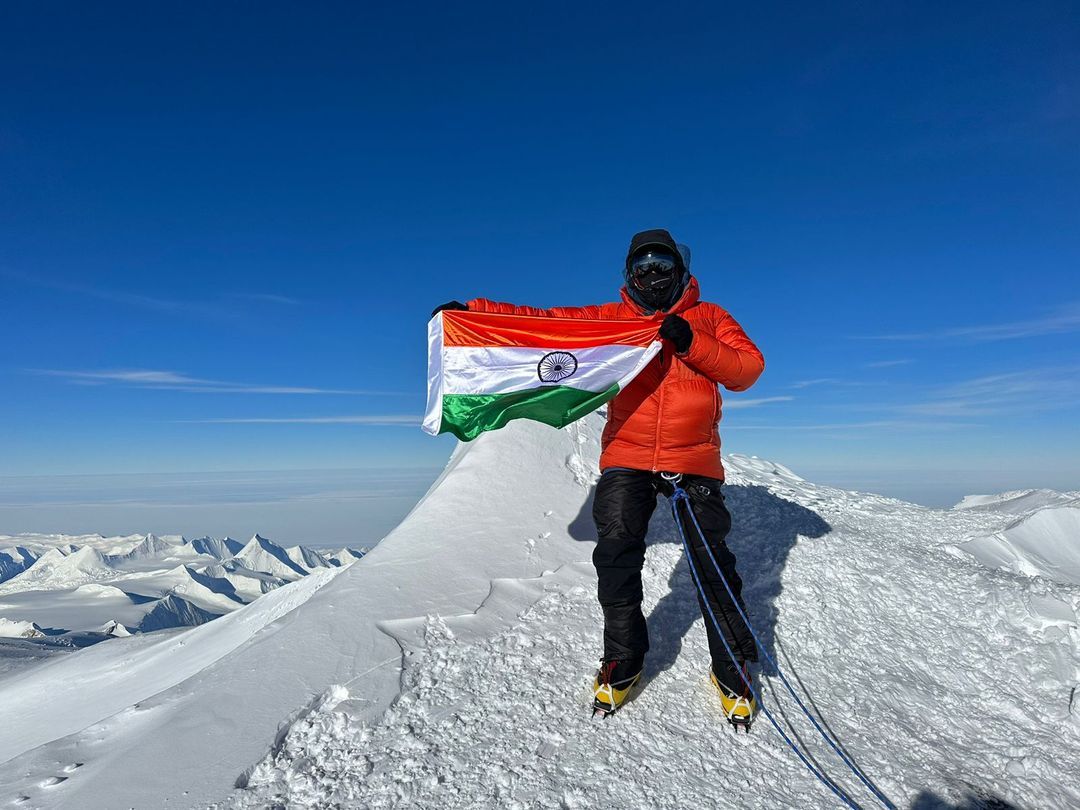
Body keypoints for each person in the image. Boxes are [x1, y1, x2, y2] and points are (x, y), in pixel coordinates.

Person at [432, 228, 764, 725]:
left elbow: (746, 369)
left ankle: (731, 664)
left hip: (692, 457)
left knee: (710, 561)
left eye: (662, 264)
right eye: (643, 265)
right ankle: (623, 658)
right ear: (629, 273)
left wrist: (691, 341)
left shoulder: (710, 317)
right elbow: (544, 325)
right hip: (627, 456)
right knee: (615, 559)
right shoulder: (610, 321)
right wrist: (474, 314)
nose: (653, 274)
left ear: (680, 268)